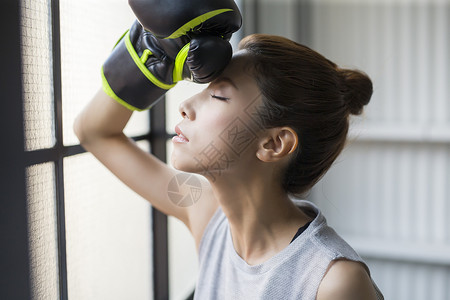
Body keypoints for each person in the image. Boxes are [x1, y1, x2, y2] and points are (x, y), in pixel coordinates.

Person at [74, 1, 384, 299]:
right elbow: (94, 132)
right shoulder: (208, 215)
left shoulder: (333, 282)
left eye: (219, 96)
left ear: (274, 143)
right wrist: (148, 56)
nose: (184, 106)